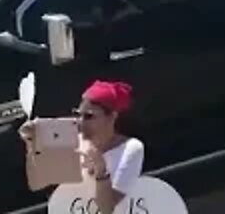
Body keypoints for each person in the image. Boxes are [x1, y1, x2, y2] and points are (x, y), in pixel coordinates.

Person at [20, 80, 144, 213]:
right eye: (78, 114)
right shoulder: (73, 142)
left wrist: (100, 170)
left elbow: (106, 209)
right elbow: (36, 183)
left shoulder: (131, 148)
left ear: (112, 117)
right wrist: (31, 145)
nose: (80, 122)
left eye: (89, 116)